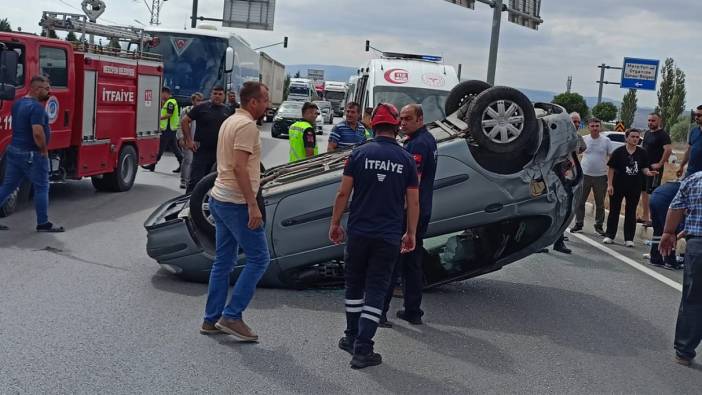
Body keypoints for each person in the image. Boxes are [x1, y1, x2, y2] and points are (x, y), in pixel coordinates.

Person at [329, 103, 419, 369]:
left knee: (354, 287)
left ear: (373, 126)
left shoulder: (358, 153)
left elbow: (343, 194)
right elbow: (413, 202)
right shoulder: (406, 159)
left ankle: (350, 336)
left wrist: (335, 222)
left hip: (358, 233)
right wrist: (410, 232)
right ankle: (363, 348)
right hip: (387, 236)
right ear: (395, 126)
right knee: (377, 290)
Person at [200, 81, 271, 341]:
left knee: (224, 261)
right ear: (253, 102)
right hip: (236, 203)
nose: (268, 104)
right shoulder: (246, 126)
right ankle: (232, 316)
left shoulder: (230, 120)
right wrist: (252, 204)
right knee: (259, 258)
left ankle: (211, 319)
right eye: (264, 100)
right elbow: (240, 167)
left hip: (219, 198)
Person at [380, 104, 437, 327]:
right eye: (400, 119)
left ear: (420, 119)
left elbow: (412, 183)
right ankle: (413, 310)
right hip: (422, 210)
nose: (402, 123)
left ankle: (380, 312)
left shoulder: (418, 144)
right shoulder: (427, 139)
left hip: (408, 213)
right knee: (412, 263)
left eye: (407, 119)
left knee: (392, 262)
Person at [0, 75, 64, 232]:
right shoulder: (36, 108)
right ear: (36, 89)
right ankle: (43, 223)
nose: (50, 92)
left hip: (14, 151)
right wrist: (43, 150)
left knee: (8, 186)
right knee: (42, 187)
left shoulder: (18, 103)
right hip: (32, 154)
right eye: (47, 89)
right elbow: (37, 133)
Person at [659, 171, 702, 366]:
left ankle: (684, 351)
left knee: (693, 299)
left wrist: (669, 232)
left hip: (698, 247)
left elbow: (676, 207)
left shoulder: (694, 179)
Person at [603, 129, 658, 246]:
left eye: (637, 137)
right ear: (627, 138)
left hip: (634, 186)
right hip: (618, 185)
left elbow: (644, 167)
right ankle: (610, 235)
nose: (635, 139)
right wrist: (610, 184)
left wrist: (648, 173)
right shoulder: (618, 152)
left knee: (631, 212)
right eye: (633, 136)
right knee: (614, 211)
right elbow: (611, 168)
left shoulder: (642, 153)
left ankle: (629, 238)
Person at [181, 86, 231, 194]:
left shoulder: (227, 110)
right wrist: (189, 140)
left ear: (224, 96)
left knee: (212, 182)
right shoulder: (202, 107)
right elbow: (185, 121)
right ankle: (187, 205)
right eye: (215, 93)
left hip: (218, 153)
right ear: (211, 94)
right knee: (196, 181)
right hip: (201, 151)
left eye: (220, 94)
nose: (217, 96)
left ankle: (203, 206)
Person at [571, 117, 614, 235]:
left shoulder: (606, 141)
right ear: (588, 127)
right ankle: (579, 223)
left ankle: (599, 225)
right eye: (592, 126)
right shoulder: (584, 139)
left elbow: (611, 158)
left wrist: (611, 176)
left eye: (597, 126)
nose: (595, 128)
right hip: (584, 175)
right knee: (580, 201)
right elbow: (575, 154)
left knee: (600, 203)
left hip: (600, 176)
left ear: (600, 127)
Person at [639, 113, 672, 226]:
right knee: (643, 192)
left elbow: (668, 150)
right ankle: (645, 217)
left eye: (653, 120)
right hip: (644, 168)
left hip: (654, 170)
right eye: (649, 120)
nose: (650, 122)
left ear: (659, 121)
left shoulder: (663, 135)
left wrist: (660, 164)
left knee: (652, 194)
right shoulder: (647, 133)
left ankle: (652, 220)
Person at [144, 87, 183, 172]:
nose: (161, 95)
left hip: (168, 129)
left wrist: (158, 118)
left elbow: (169, 115)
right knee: (175, 148)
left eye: (161, 93)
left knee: (160, 147)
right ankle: (182, 163)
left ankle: (153, 164)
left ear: (166, 93)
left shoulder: (170, 103)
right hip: (170, 129)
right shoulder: (169, 102)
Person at [648, 181, 683, 270]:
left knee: (658, 230)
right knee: (671, 230)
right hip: (665, 201)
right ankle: (670, 261)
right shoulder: (689, 187)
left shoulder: (679, 184)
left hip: (655, 196)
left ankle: (655, 258)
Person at [177, 92, 204, 189]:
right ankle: (184, 180)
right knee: (188, 160)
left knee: (197, 162)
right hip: (188, 140)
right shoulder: (187, 110)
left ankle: (194, 180)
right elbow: (180, 124)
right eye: (197, 100)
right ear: (193, 101)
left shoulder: (204, 111)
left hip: (199, 141)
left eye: (201, 101)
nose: (199, 103)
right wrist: (181, 138)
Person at [676, 105, 702, 179]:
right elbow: (688, 150)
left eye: (699, 115)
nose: (696, 117)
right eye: (695, 114)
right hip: (691, 172)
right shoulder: (694, 131)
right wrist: (681, 166)